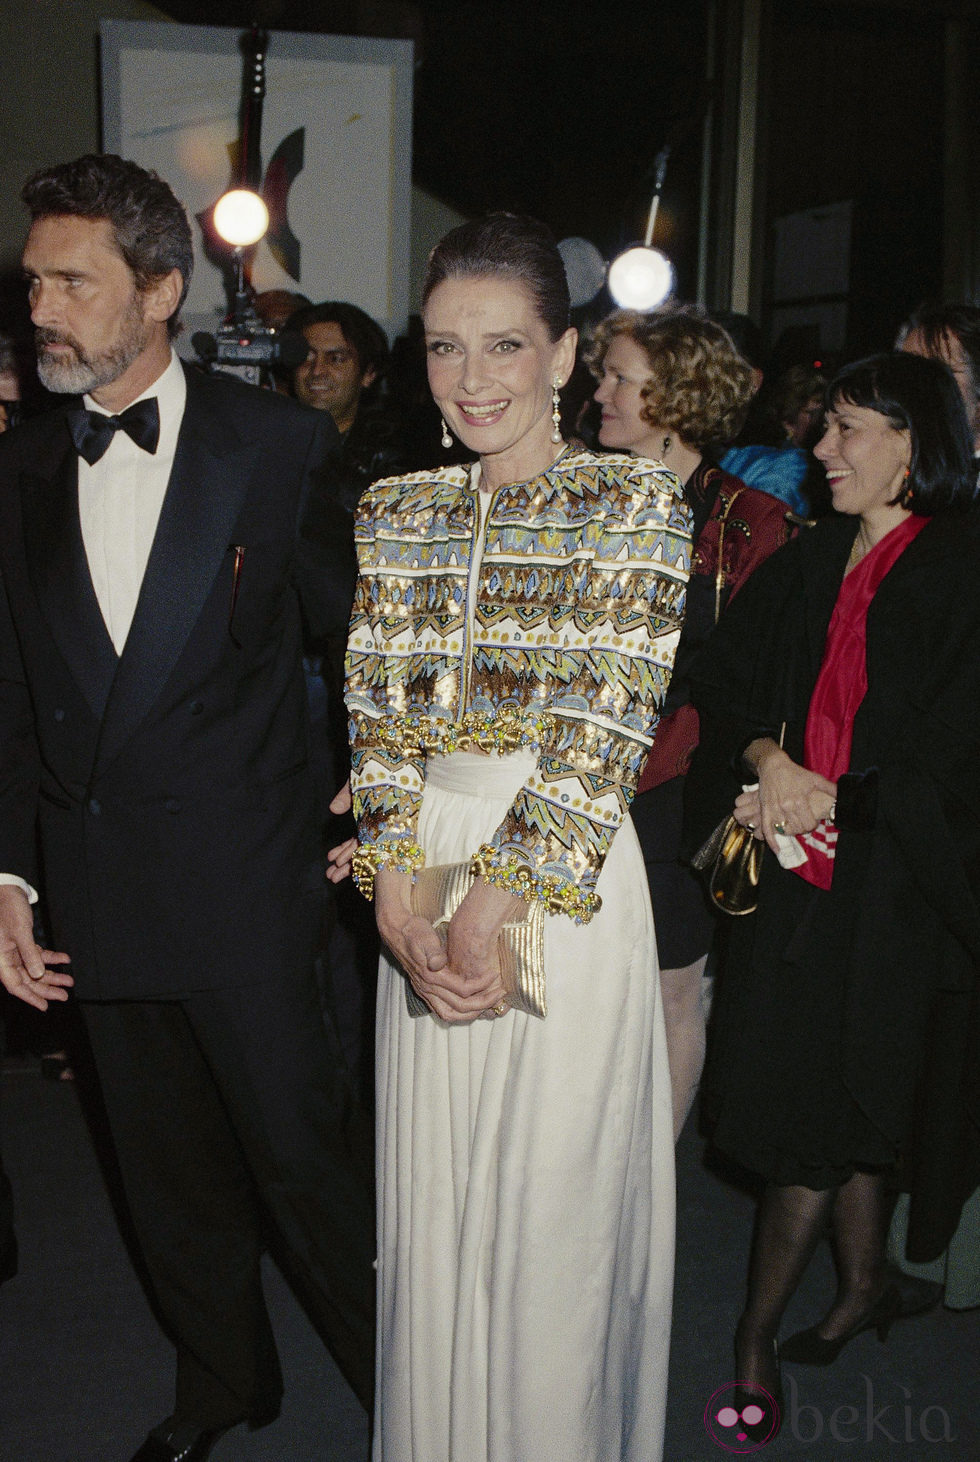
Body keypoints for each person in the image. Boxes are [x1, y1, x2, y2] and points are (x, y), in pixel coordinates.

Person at [0, 154, 373, 1462]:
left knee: (305, 1169)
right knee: (165, 1181)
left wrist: (384, 786)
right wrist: (8, 873)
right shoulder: (26, 462)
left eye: (71, 279)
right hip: (100, 890)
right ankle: (226, 1382)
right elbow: (11, 686)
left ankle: (407, 1384)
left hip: (248, 884)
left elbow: (364, 635)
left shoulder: (274, 443)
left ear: (160, 290)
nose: (39, 303)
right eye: (33, 277)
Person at [345, 213, 692, 1461]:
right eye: (444, 349)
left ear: (562, 354)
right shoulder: (395, 510)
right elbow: (375, 714)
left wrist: (485, 907)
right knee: (437, 1212)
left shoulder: (634, 504)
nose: (472, 378)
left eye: (502, 346)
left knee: (548, 1217)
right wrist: (395, 889)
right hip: (422, 859)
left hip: (566, 873)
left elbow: (606, 721)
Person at [685, 352, 980, 1428]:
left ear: (913, 441)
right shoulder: (807, 560)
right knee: (822, 1095)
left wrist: (832, 802)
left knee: (828, 1106)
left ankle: (750, 1336)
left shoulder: (961, 570)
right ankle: (858, 1287)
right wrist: (768, 763)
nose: (819, 450)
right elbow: (721, 680)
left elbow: (954, 760)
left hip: (891, 894)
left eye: (847, 429)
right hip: (789, 874)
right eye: (823, 428)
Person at [589, 306, 794, 1138]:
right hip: (578, 774)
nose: (597, 390)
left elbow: (759, 674)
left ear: (673, 397)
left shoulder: (749, 521)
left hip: (678, 781)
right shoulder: (579, 493)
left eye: (617, 378)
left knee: (674, 988)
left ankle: (652, 1187)